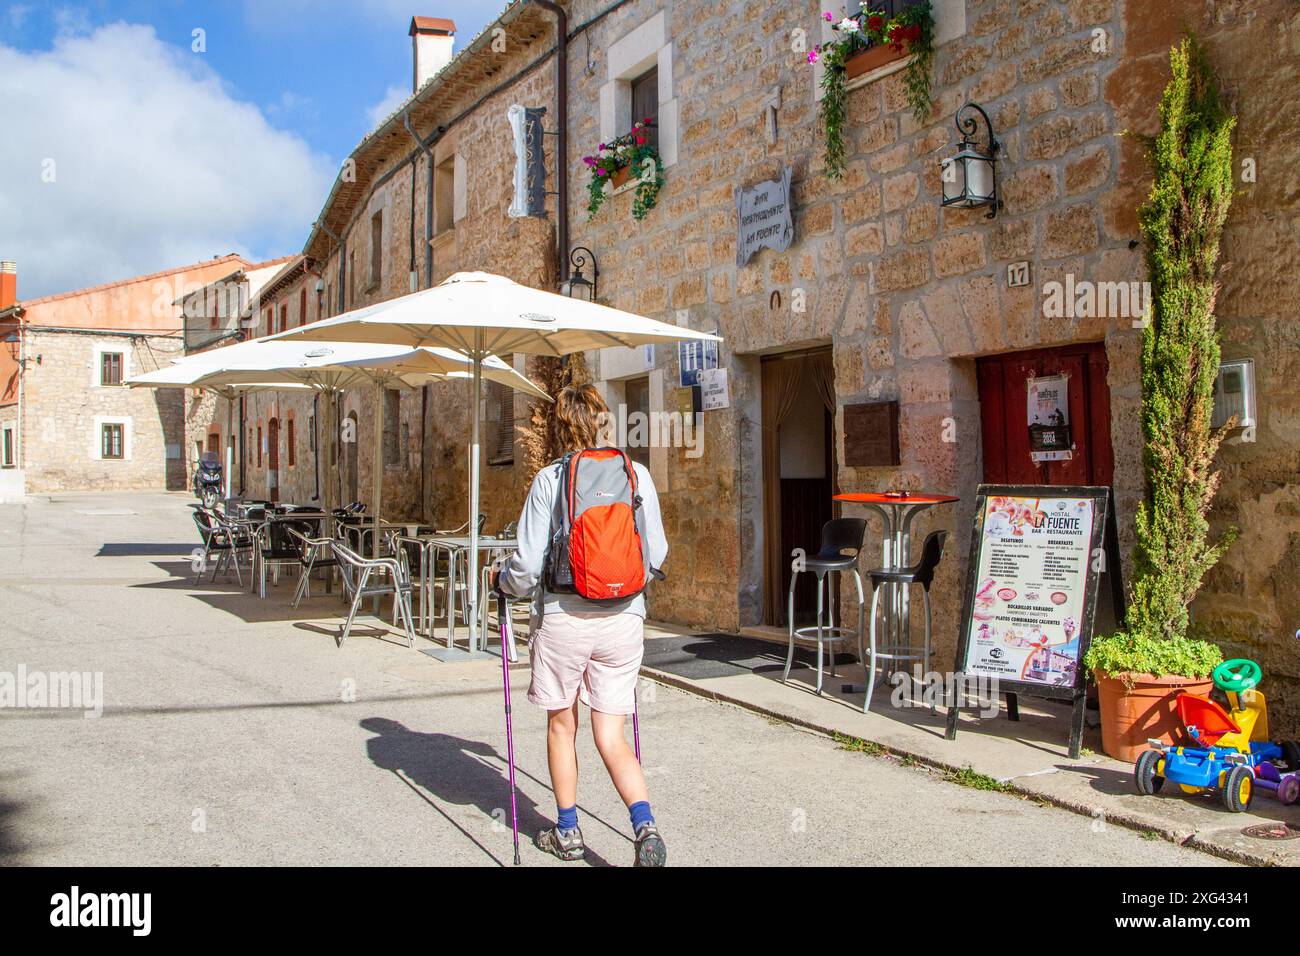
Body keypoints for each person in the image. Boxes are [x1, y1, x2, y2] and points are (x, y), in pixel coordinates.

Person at [493, 384, 668, 867]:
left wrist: (502, 583)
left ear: (558, 427)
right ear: (601, 421)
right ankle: (645, 826)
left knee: (562, 723)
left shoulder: (550, 479)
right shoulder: (637, 474)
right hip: (624, 620)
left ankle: (567, 831)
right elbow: (659, 554)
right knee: (612, 733)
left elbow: (527, 568)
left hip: (565, 619)